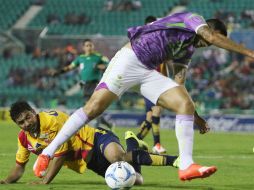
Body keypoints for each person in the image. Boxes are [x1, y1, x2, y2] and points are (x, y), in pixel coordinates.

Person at [34, 11, 254, 181]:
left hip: (148, 72)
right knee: (93, 109)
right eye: (212, 39)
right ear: (210, 29)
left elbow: (179, 84)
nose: (207, 44)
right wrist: (249, 53)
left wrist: (196, 117)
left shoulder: (187, 50)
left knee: (184, 102)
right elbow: (211, 36)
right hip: (129, 59)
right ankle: (49, 152)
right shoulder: (192, 18)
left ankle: (186, 165)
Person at [0, 101, 179, 185]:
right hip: (90, 160)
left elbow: (60, 155)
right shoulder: (24, 139)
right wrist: (6, 181)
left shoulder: (51, 120)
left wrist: (45, 181)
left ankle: (174, 160)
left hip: (95, 138)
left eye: (28, 117)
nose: (26, 123)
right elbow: (19, 166)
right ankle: (133, 141)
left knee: (118, 156)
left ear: (33, 111)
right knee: (136, 181)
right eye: (21, 122)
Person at [50, 39, 114, 130]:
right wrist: (58, 72)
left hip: (95, 84)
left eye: (90, 45)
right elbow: (70, 67)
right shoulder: (80, 58)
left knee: (91, 105)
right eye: (87, 45)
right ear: (84, 47)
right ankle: (104, 122)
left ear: (93, 46)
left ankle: (96, 125)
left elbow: (109, 65)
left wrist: (102, 66)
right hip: (85, 85)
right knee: (90, 106)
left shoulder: (98, 57)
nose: (89, 47)